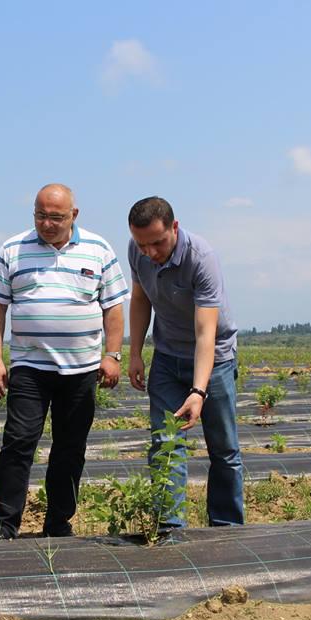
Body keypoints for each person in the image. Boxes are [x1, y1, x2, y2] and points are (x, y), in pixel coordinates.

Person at [0, 183, 128, 539]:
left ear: (73, 215)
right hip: (30, 368)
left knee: (69, 448)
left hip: (81, 371)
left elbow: (113, 307)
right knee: (18, 443)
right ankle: (4, 526)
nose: (47, 223)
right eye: (40, 215)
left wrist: (112, 355)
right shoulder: (12, 249)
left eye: (56, 217)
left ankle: (58, 523)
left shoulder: (98, 249)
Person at [126, 195, 243, 529]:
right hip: (166, 356)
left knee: (223, 449)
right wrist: (135, 353)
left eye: (157, 243)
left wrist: (198, 391)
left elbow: (206, 333)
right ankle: (168, 528)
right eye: (142, 244)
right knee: (166, 443)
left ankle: (228, 527)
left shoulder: (201, 258)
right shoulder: (138, 249)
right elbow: (139, 299)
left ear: (174, 227)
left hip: (214, 358)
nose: (149, 252)